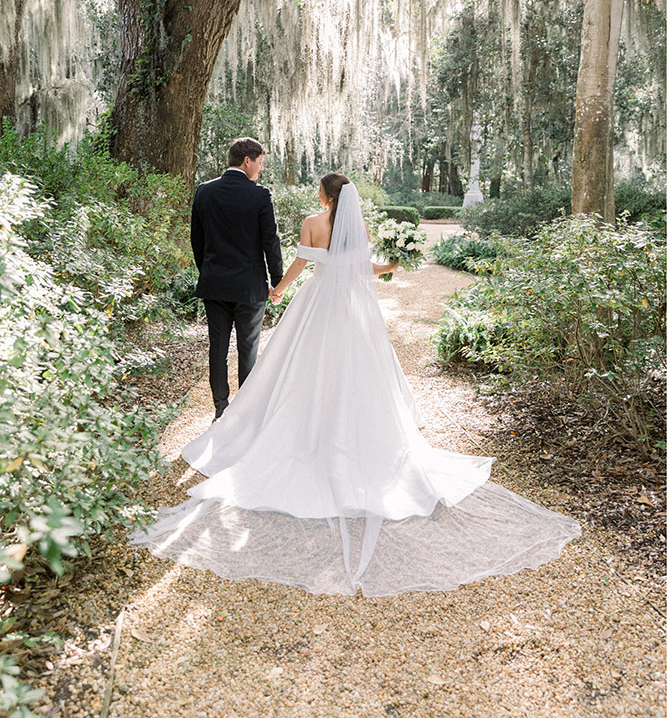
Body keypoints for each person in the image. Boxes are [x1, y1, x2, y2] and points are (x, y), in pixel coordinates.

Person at [133, 176, 580, 596]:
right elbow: (364, 269)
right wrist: (394, 263)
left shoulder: (311, 223)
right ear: (347, 199)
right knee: (353, 371)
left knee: (297, 369)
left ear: (325, 198)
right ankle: (354, 431)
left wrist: (278, 291)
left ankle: (294, 426)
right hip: (350, 311)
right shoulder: (356, 225)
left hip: (314, 304)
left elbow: (302, 263)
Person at [190, 137, 283, 420]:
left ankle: (221, 408)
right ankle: (244, 415)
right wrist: (278, 281)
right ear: (247, 161)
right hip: (250, 287)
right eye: (260, 162)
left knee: (217, 348)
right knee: (248, 349)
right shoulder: (259, 195)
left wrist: (208, 271)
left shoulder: (204, 191)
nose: (261, 168)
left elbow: (197, 240)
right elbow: (271, 241)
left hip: (215, 284)